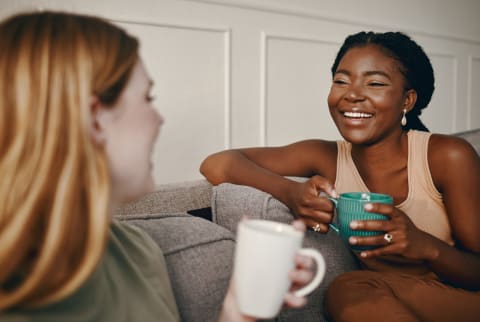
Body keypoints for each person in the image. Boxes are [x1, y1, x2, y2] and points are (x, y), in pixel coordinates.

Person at [0, 11, 315, 322]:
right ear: (95, 120)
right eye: (147, 98)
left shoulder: (137, 252)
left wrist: (238, 312)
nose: (159, 119)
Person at [200, 31, 480, 321]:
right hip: (392, 299)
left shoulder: (447, 155)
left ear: (407, 100)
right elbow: (217, 164)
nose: (352, 94)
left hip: (463, 299)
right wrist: (291, 193)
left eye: (375, 83)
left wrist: (425, 246)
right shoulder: (325, 156)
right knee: (349, 292)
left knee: (350, 289)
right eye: (341, 81)